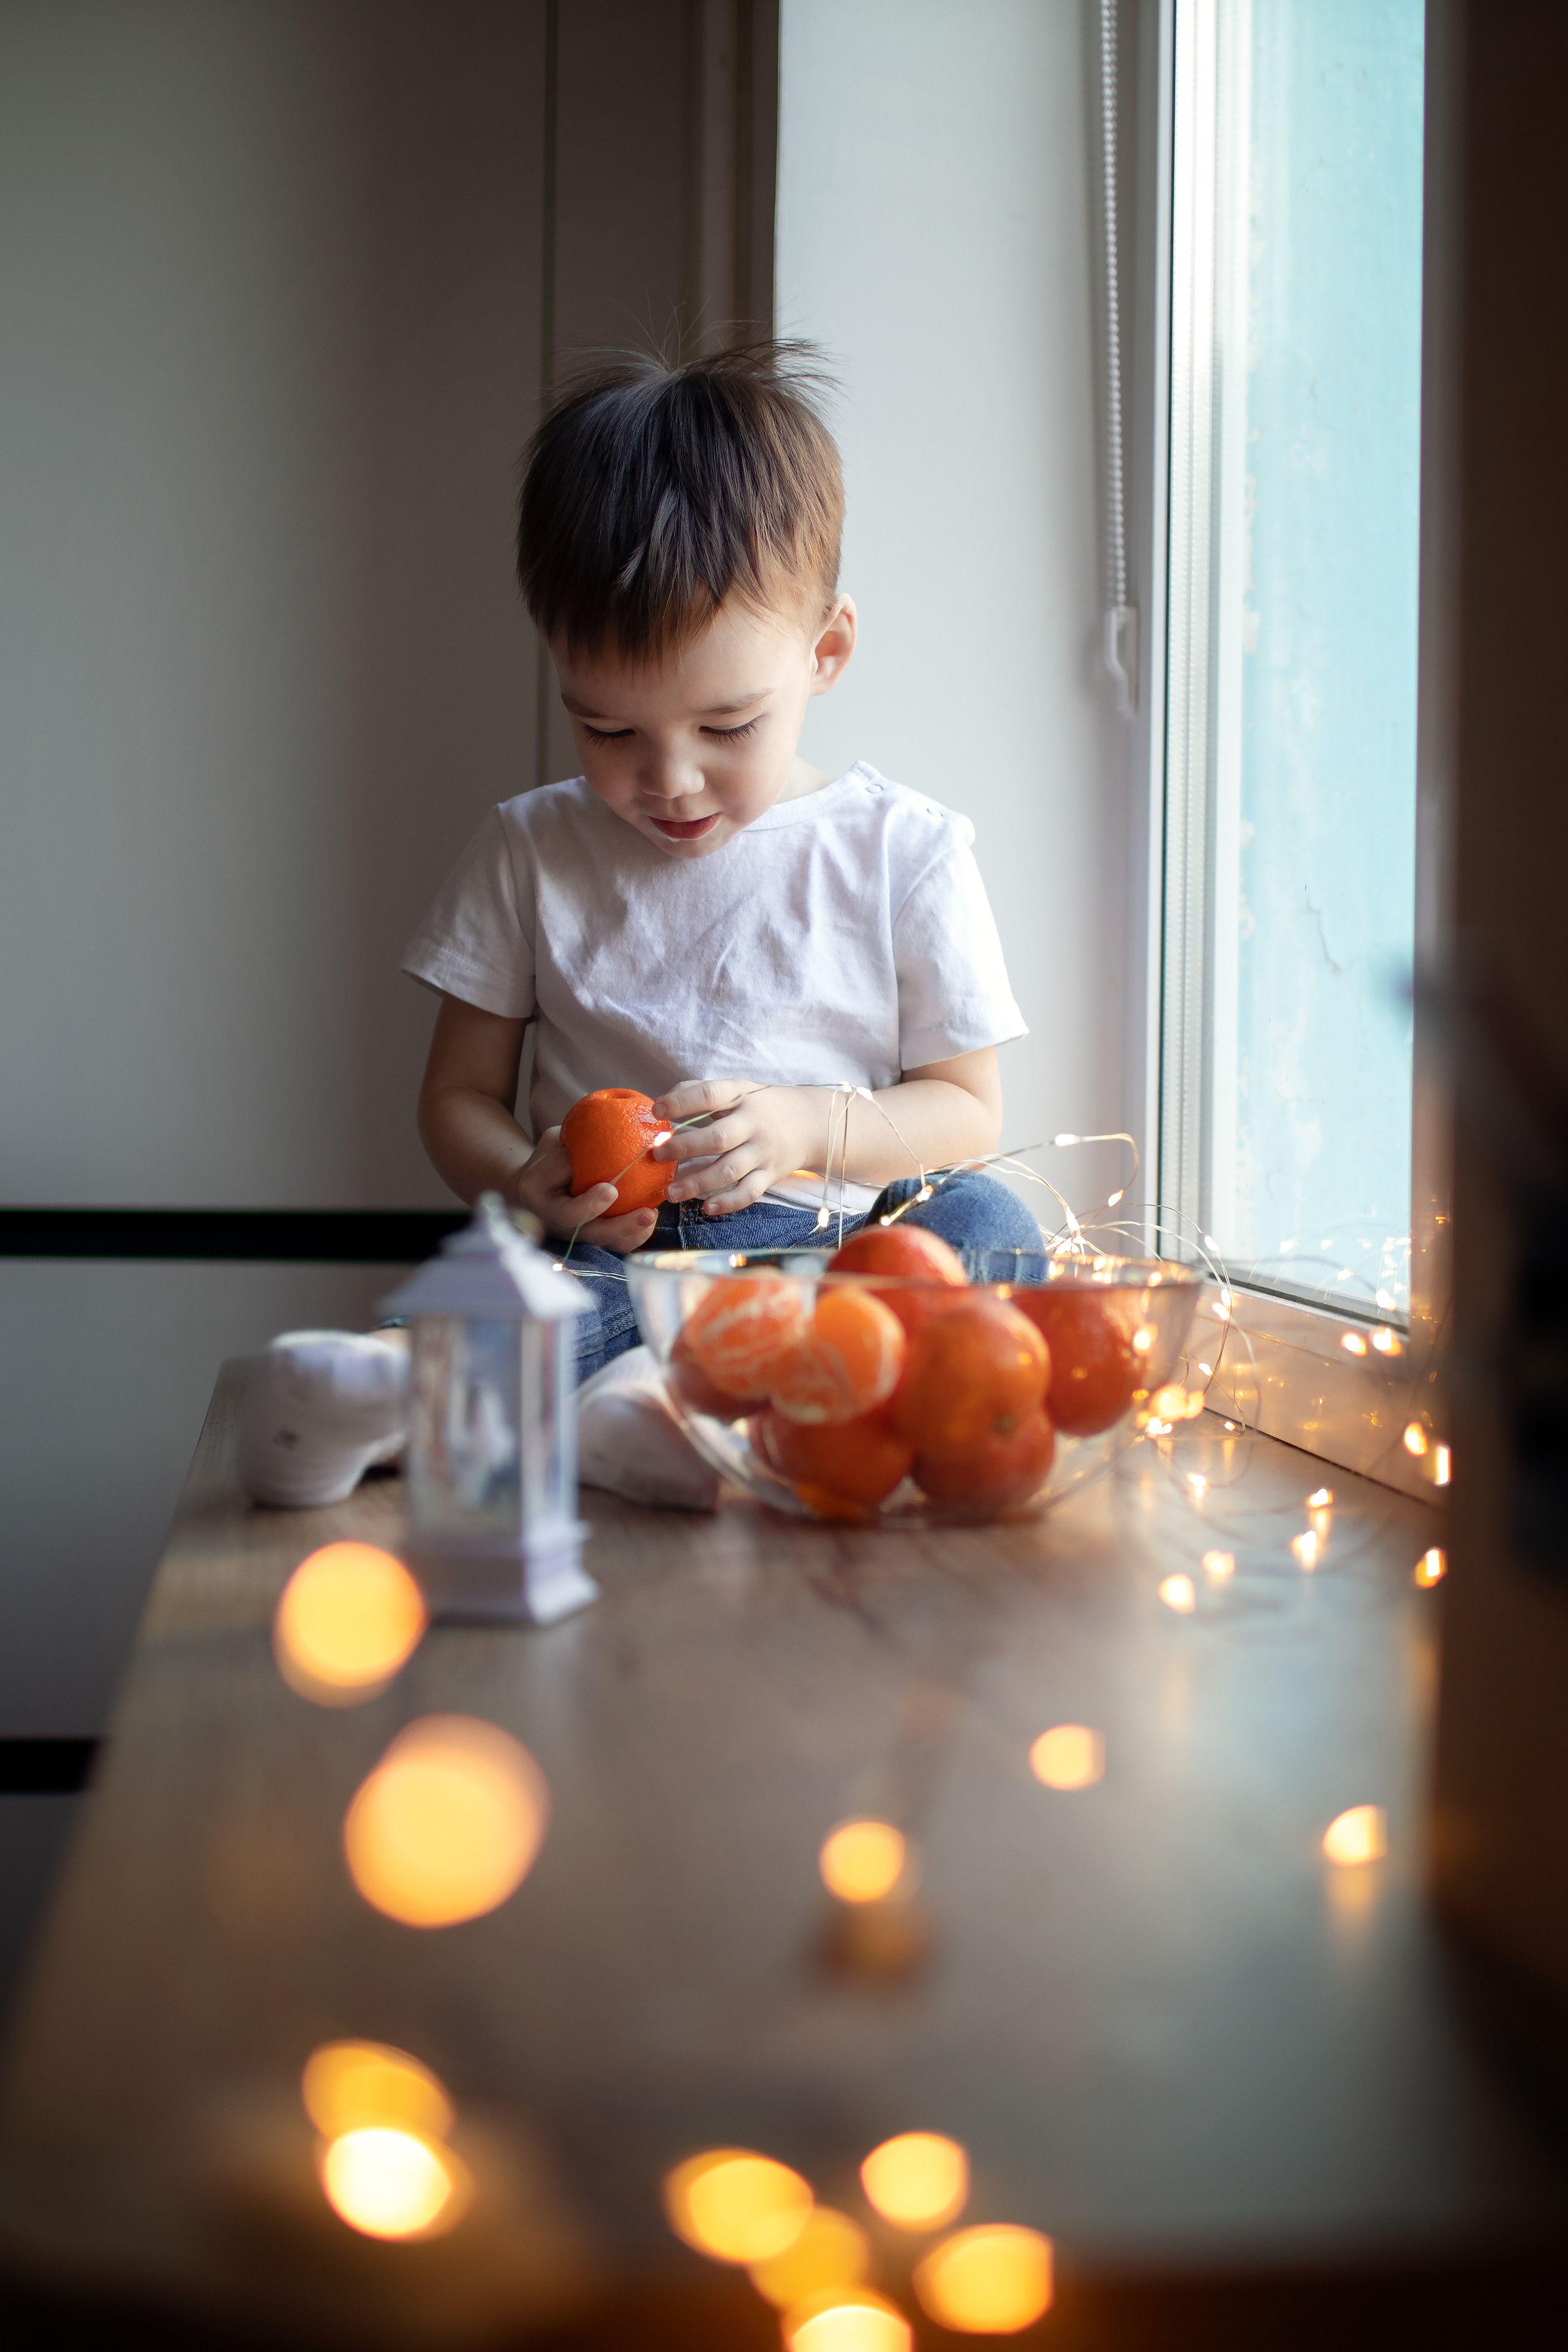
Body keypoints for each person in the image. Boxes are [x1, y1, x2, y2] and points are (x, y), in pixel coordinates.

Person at [403, 343, 1039, 1493]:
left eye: (729, 727)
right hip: (622, 1266)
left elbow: (967, 1111)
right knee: (504, 1309)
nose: (673, 781)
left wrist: (805, 1130)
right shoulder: (529, 850)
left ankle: (711, 1397)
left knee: (993, 1223)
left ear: (826, 652)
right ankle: (644, 1404)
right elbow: (455, 1098)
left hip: (842, 1263)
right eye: (607, 732)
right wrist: (521, 1178)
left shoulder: (903, 851)